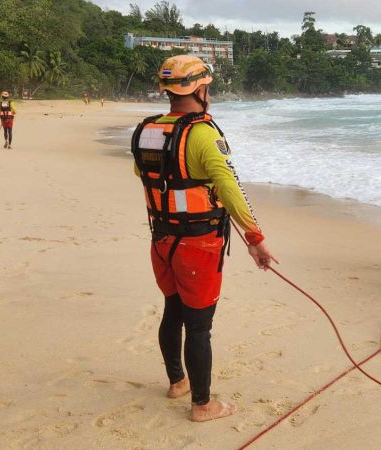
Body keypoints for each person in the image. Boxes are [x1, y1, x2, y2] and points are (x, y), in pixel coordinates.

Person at [131, 55, 275, 422]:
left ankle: (177, 381)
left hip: (161, 240)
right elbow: (229, 187)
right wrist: (255, 237)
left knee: (172, 310)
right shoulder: (203, 133)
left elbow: (144, 173)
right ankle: (202, 404)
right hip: (198, 245)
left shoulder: (147, 130)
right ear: (201, 88)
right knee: (198, 325)